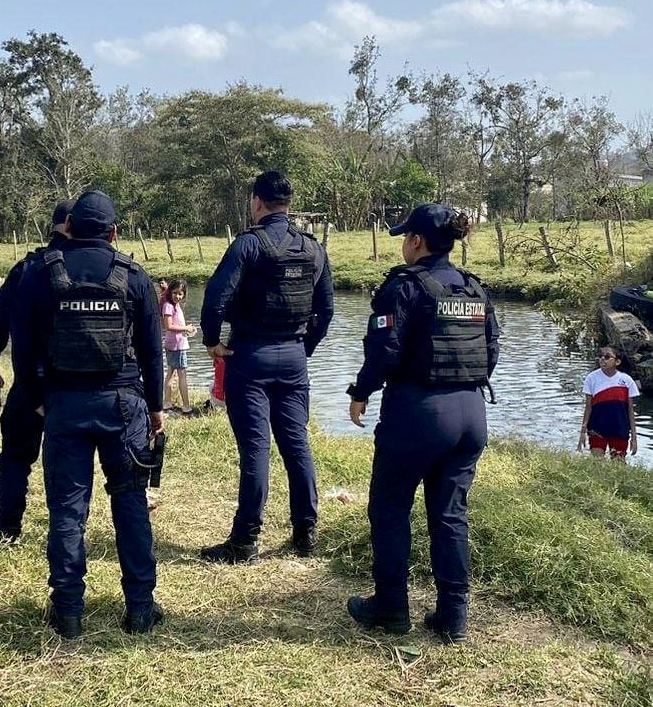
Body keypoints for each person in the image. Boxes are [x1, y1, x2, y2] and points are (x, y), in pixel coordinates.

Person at [12, 190, 166, 639]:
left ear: (69, 228)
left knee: (67, 509)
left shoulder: (40, 274)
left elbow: (22, 348)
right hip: (124, 406)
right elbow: (153, 353)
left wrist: (37, 399)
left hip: (64, 405)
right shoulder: (133, 276)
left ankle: (68, 612)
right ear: (114, 233)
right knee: (131, 504)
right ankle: (140, 608)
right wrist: (155, 409)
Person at [345, 203, 499, 644]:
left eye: (404, 237)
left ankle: (391, 608)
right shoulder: (474, 289)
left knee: (391, 509)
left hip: (418, 414)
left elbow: (384, 351)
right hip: (471, 414)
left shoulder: (405, 287)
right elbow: (491, 353)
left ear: (416, 241)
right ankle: (453, 616)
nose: (402, 244)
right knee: (451, 515)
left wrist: (360, 391)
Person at [199, 170, 334, 563]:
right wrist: (304, 346)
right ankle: (305, 533)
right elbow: (326, 310)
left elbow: (215, 298)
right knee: (297, 444)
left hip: (250, 356)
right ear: (288, 204)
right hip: (293, 356)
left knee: (256, 449)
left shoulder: (248, 246)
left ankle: (245, 541)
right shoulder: (313, 249)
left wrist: (212, 342)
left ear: (257, 201)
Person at [0, 200, 75, 542]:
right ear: (70, 225)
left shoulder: (25, 269)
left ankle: (8, 530)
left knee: (16, 458)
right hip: (72, 387)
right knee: (68, 464)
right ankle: (66, 534)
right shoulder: (89, 268)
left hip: (29, 381)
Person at [577, 346, 640, 461]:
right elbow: (588, 407)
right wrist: (582, 432)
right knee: (596, 464)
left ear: (617, 361)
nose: (602, 359)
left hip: (620, 428)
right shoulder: (591, 378)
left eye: (607, 357)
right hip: (597, 427)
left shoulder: (627, 380)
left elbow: (630, 411)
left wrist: (634, 438)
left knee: (618, 464)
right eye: (600, 356)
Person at [161, 279, 198, 416]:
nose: (177, 296)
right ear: (170, 292)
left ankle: (167, 402)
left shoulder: (173, 305)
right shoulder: (169, 306)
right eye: (175, 293)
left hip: (173, 344)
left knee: (170, 373)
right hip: (177, 345)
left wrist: (186, 328)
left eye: (180, 294)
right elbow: (168, 326)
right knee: (182, 375)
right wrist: (186, 328)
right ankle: (186, 407)